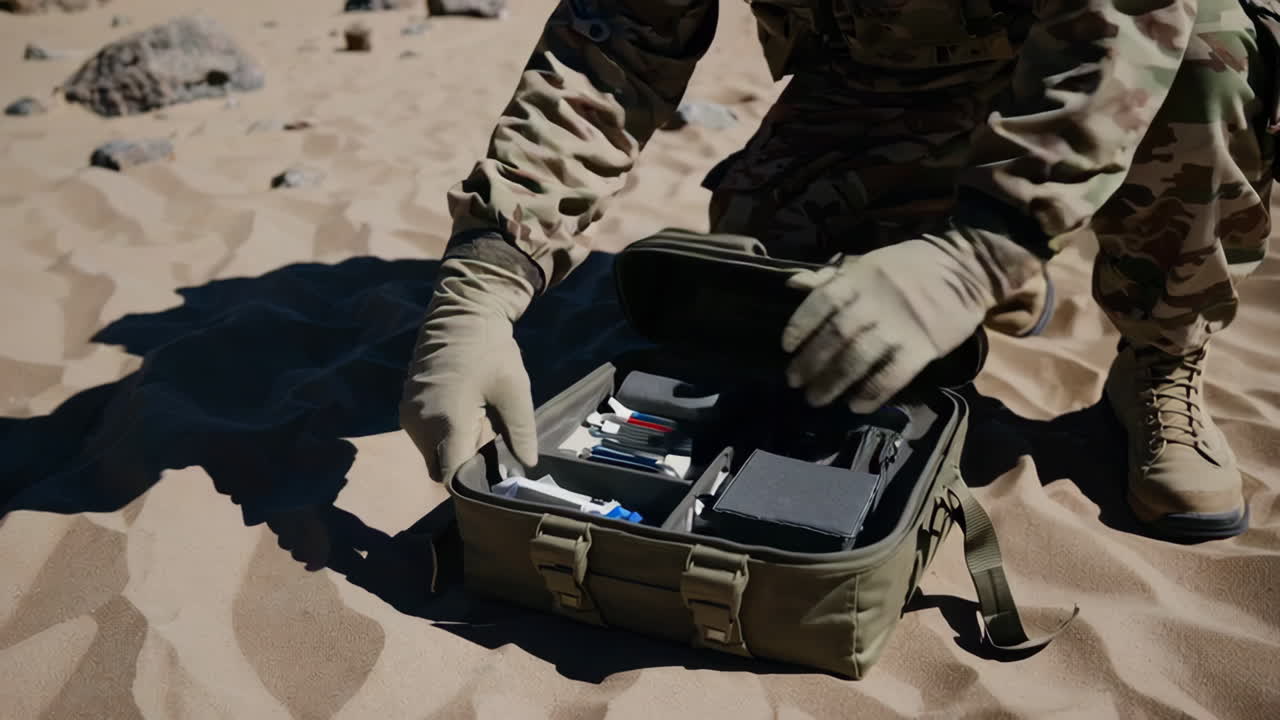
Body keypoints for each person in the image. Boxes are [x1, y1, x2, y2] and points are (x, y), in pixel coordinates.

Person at [400, 0, 1275, 541]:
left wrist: (982, 252)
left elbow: (1124, 21)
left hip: (1087, 62)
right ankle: (984, 243)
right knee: (766, 294)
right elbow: (611, 48)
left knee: (1210, 53)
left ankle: (1162, 358)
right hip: (870, 87)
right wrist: (482, 280)